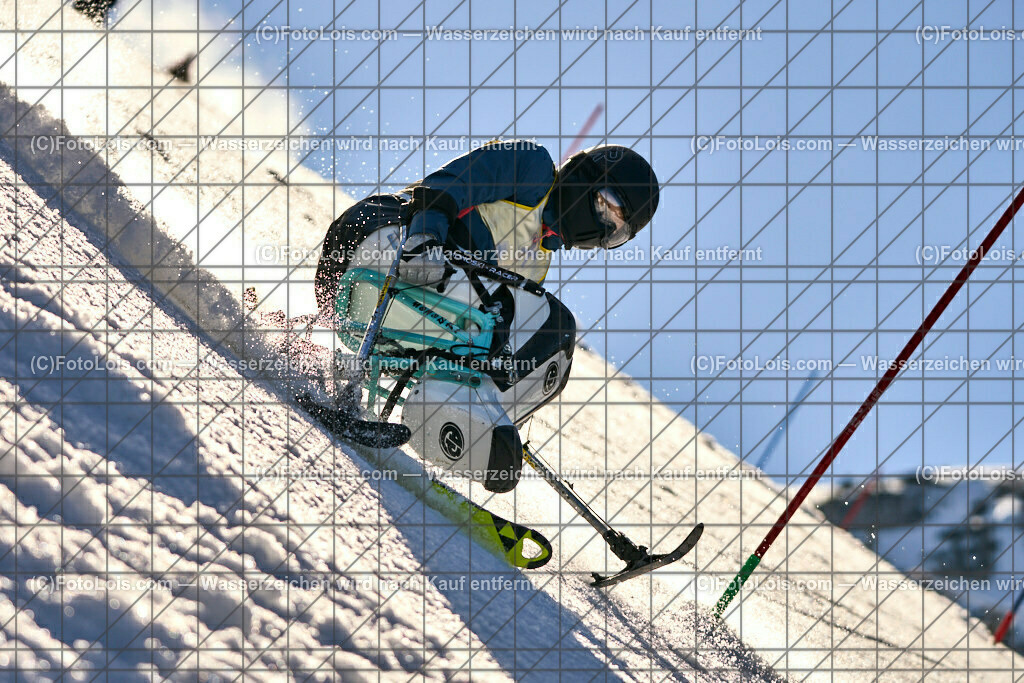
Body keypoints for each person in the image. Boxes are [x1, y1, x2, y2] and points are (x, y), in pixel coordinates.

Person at [314, 139, 659, 492]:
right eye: (607, 208)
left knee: (529, 348)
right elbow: (448, 183)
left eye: (616, 234)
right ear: (585, 177)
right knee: (553, 326)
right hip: (387, 242)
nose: (602, 231)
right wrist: (426, 236)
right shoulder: (533, 169)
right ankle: (464, 423)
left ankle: (471, 428)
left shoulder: (537, 264)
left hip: (387, 310)